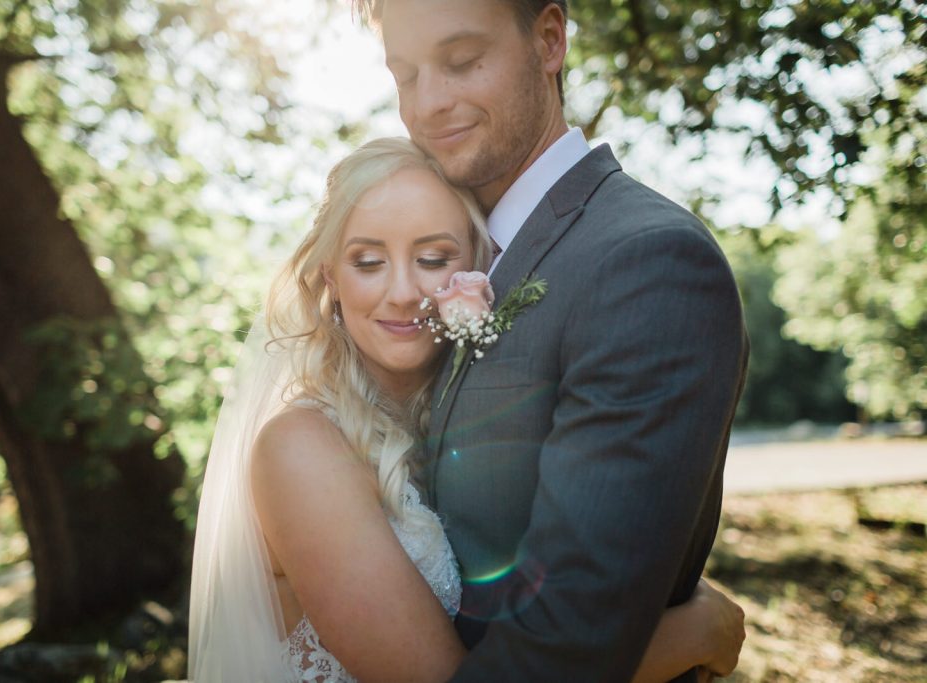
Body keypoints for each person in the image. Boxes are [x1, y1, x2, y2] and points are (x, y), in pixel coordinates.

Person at [187, 138, 745, 682]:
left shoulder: (469, 421)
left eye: (432, 257)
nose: (403, 291)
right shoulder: (302, 448)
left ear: (479, 267)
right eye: (368, 261)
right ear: (331, 278)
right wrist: (689, 634)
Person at [349, 1, 751, 681]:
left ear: (549, 39)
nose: (428, 104)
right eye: (406, 73)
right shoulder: (460, 257)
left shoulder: (646, 261)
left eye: (461, 61)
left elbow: (561, 652)